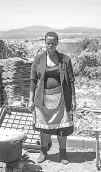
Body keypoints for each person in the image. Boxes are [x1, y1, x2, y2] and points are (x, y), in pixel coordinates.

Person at [28, 31, 77, 164]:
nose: (50, 45)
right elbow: (33, 80)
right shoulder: (38, 59)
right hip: (43, 99)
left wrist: (73, 99)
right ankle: (43, 152)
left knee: (62, 128)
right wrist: (30, 100)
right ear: (44, 43)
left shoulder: (65, 60)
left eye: (53, 43)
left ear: (57, 43)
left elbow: (71, 80)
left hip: (61, 98)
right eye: (48, 43)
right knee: (44, 127)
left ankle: (63, 154)